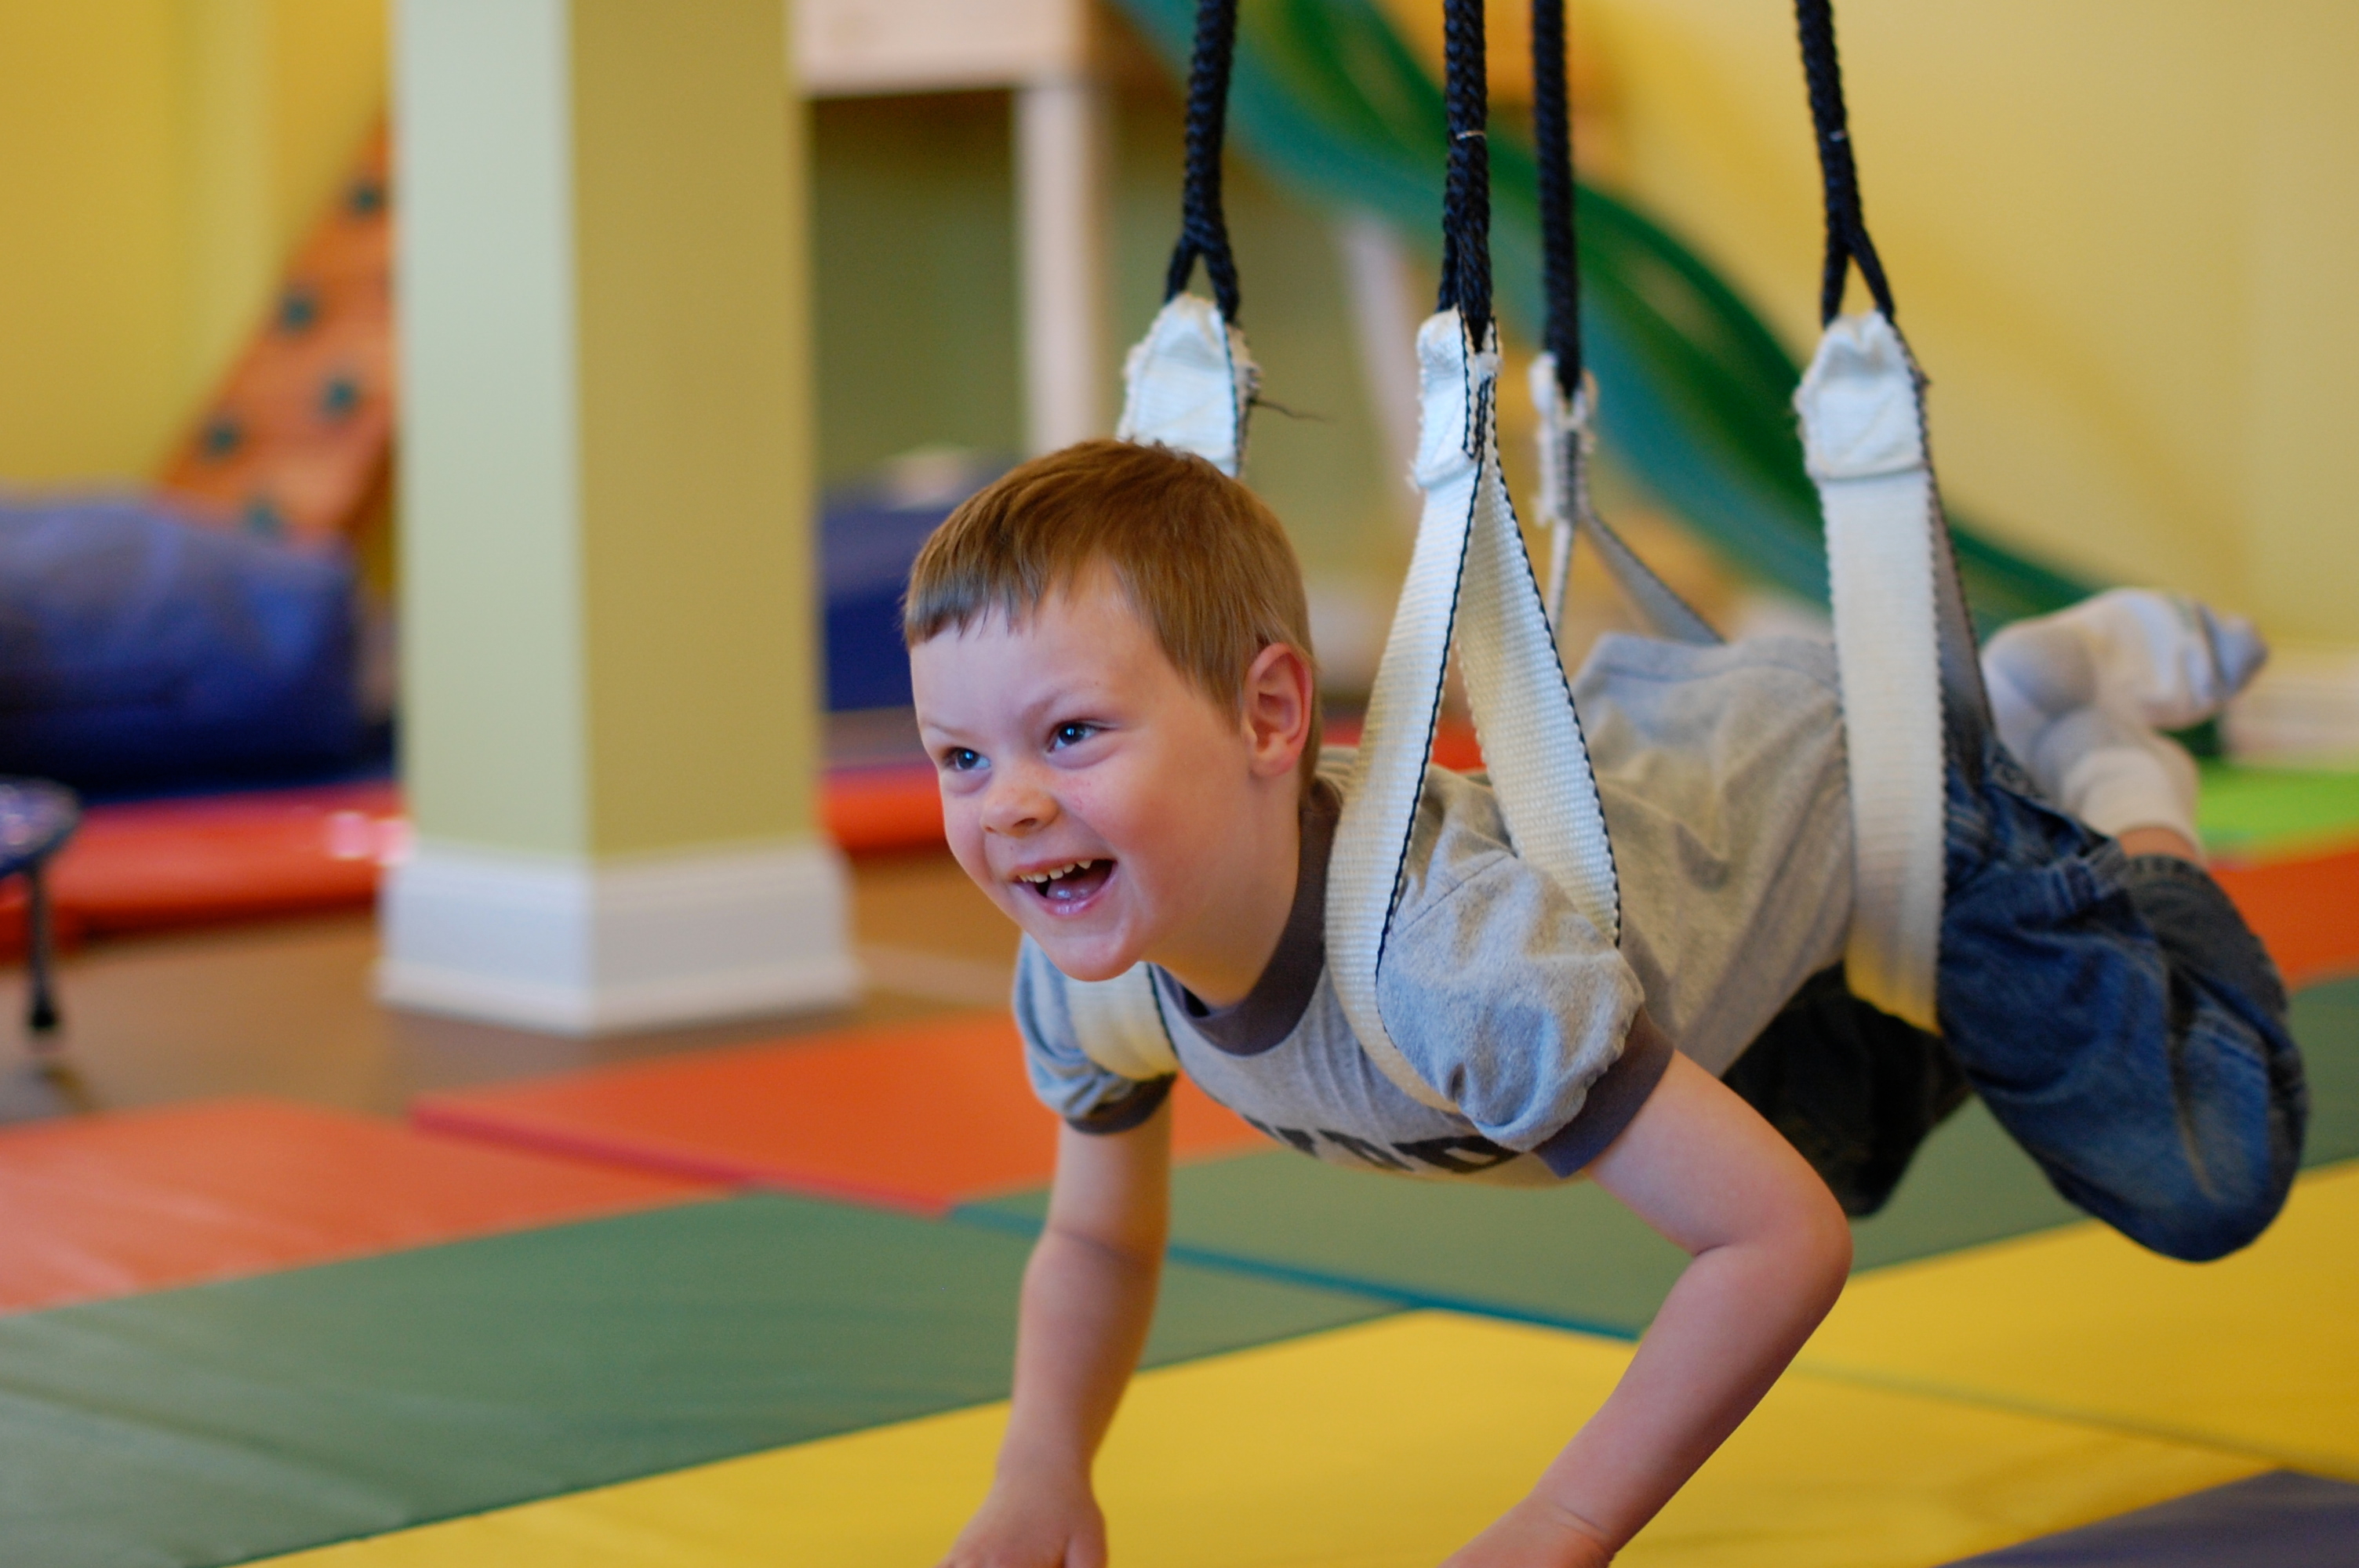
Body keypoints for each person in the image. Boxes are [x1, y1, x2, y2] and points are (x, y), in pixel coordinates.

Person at [906, 439, 2304, 1568]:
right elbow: (1094, 1243)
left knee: (2202, 1160)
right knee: (1850, 1148)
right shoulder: (1089, 976)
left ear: (1274, 719)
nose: (1010, 804)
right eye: (959, 756)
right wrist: (1039, 1471)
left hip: (1861, 788)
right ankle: (2025, 701)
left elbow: (1774, 1243)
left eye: (1070, 733)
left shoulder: (1444, 963)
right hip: (1702, 865)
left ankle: (2090, 756)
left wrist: (1563, 1526)